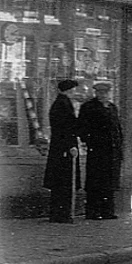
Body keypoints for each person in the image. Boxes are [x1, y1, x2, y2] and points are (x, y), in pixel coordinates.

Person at [78, 80, 123, 220]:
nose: (103, 95)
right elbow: (83, 128)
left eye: (105, 92)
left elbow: (117, 128)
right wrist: (90, 142)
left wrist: (119, 145)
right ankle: (92, 211)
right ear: (95, 93)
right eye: (100, 92)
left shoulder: (112, 107)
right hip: (97, 150)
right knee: (95, 181)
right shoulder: (89, 107)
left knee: (110, 182)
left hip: (112, 150)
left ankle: (107, 210)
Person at [43, 79, 81, 223]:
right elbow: (66, 128)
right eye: (73, 90)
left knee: (61, 182)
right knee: (64, 181)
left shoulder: (61, 103)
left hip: (60, 147)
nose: (75, 93)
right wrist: (71, 146)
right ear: (69, 90)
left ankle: (59, 213)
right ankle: (62, 214)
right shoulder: (63, 104)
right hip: (64, 148)